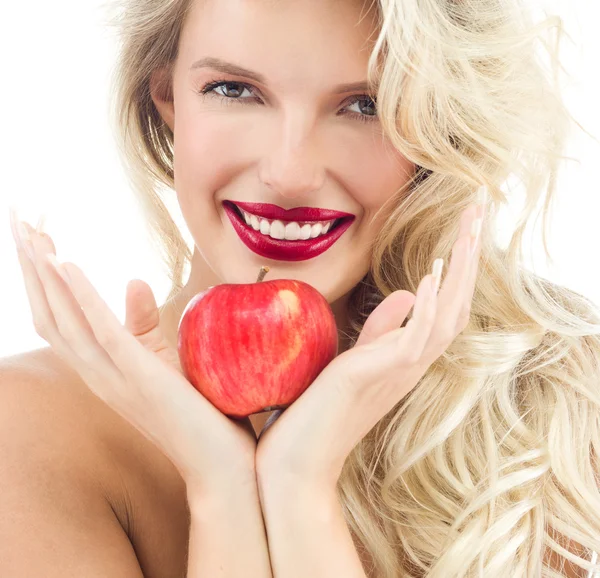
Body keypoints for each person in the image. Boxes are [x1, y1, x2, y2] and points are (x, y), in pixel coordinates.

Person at [3, 0, 600, 576]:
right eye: (234, 90)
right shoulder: (27, 430)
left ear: (439, 127)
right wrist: (221, 490)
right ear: (166, 95)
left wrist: (298, 488)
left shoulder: (555, 404)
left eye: (366, 105)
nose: (289, 174)